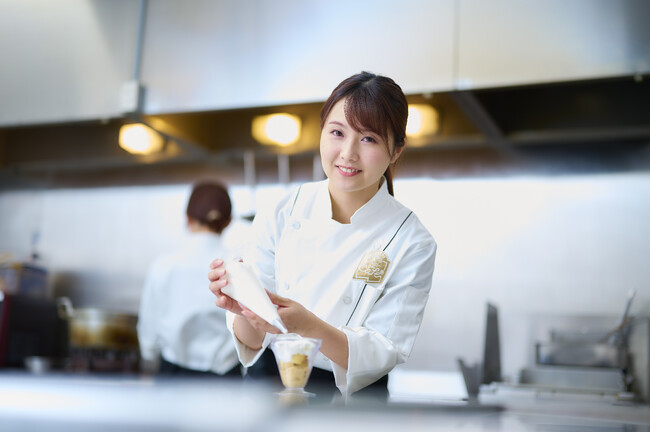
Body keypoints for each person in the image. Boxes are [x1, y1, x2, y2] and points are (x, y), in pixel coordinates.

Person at [208, 71, 437, 397]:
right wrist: (242, 307)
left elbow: (382, 350)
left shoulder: (411, 240)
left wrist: (308, 326)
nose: (348, 153)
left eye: (369, 139)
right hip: (268, 390)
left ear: (396, 150)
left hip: (352, 405)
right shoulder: (281, 211)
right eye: (337, 133)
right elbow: (254, 339)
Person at [138, 181, 242, 378]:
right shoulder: (238, 266)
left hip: (173, 376)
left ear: (188, 218)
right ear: (228, 221)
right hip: (226, 378)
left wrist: (149, 358)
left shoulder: (163, 265)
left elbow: (148, 331)